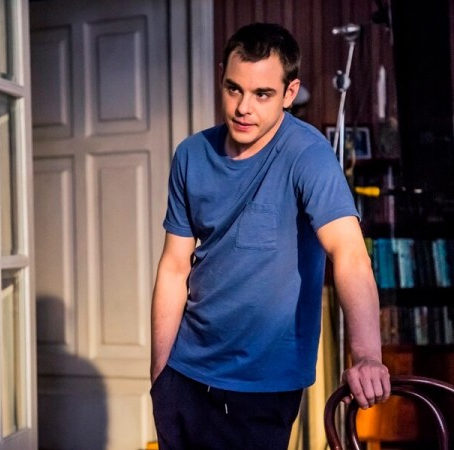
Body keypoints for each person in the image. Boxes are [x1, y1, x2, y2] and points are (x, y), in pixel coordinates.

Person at [149, 22, 391, 450]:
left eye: (262, 94)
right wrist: (160, 374)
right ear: (222, 77)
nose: (243, 107)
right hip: (185, 374)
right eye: (234, 89)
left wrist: (368, 355)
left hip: (264, 383)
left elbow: (350, 254)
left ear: (289, 92)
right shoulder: (191, 154)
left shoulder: (307, 154)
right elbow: (174, 265)